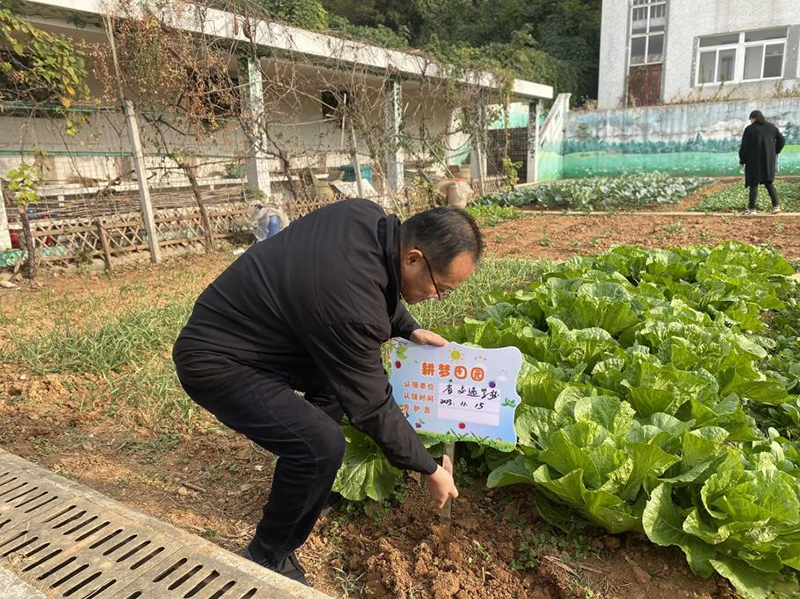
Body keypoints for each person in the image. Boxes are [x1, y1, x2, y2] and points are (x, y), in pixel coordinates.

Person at [172, 199, 482, 585]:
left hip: (262, 334)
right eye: (441, 289)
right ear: (414, 258)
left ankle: (308, 484)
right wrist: (430, 469)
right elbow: (372, 405)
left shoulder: (365, 217)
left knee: (334, 392)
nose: (437, 297)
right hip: (217, 361)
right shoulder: (351, 306)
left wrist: (409, 327)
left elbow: (374, 287)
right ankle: (268, 554)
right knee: (320, 446)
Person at [738, 110, 785, 215]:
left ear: (753, 118)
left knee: (753, 183)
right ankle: (776, 206)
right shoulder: (772, 127)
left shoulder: (750, 129)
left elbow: (744, 147)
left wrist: (742, 160)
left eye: (750, 119)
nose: (750, 122)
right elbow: (782, 140)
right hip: (768, 160)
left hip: (753, 161)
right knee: (768, 182)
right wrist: (774, 151)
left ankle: (751, 209)